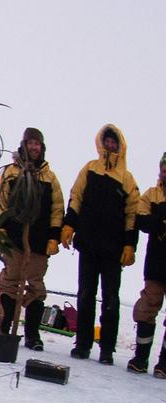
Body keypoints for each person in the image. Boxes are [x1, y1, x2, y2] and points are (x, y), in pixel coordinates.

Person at [60, 124, 140, 364]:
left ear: (120, 145)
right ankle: (83, 344)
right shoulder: (89, 169)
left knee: (111, 300)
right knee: (85, 294)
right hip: (87, 244)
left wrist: (130, 245)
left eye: (114, 142)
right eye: (107, 141)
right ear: (101, 143)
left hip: (113, 251)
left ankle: (107, 349)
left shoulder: (126, 178)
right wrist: (68, 225)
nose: (110, 145)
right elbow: (76, 198)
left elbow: (132, 215)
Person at [0, 127, 64, 351]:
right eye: (31, 143)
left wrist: (54, 236)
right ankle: (4, 326)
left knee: (35, 286)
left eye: (38, 144)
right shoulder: (11, 172)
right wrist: (1, 229)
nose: (34, 147)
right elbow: (0, 201)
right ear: (24, 145)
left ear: (42, 147)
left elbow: (57, 208)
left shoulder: (49, 177)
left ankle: (32, 334)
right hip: (13, 239)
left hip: (39, 241)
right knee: (10, 282)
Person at [128, 152, 166, 377]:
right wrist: (161, 224)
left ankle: (164, 363)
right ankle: (141, 358)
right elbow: (140, 219)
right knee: (146, 309)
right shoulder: (152, 195)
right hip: (156, 265)